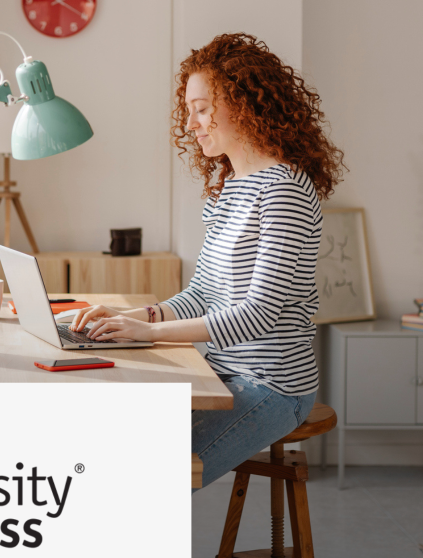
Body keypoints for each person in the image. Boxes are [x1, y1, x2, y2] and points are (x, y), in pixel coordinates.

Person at [69, 33, 345, 489]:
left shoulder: (285, 191)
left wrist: (150, 332)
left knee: (148, 479)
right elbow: (204, 295)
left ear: (243, 103)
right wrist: (128, 319)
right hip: (221, 372)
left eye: (202, 108)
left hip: (271, 386)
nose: (192, 124)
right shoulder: (232, 188)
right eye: (189, 111)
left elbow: (257, 315)